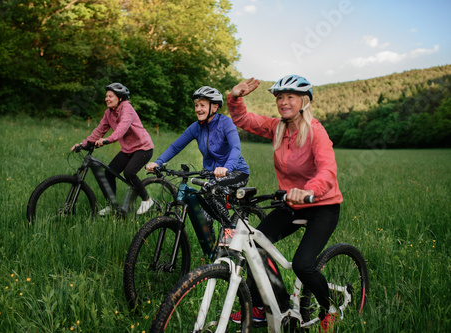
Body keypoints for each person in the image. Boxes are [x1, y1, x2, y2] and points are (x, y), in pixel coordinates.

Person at [227, 75, 343, 332]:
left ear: (304, 101)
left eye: (290, 96)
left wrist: (308, 190)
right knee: (256, 244)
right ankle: (265, 306)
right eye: (280, 97)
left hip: (322, 204)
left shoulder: (316, 132)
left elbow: (328, 169)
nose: (283, 101)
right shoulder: (278, 128)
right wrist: (235, 97)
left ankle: (330, 309)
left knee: (303, 264)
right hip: (291, 203)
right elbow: (245, 120)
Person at [146, 86, 250, 243]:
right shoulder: (196, 128)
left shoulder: (225, 123)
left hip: (236, 171)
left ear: (214, 106)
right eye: (196, 105)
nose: (198, 109)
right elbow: (176, 146)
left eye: (202, 105)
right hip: (211, 174)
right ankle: (213, 253)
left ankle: (229, 228)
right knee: (204, 219)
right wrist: (158, 162)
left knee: (212, 189)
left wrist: (226, 167)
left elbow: (236, 148)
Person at [71, 82, 155, 216]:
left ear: (120, 98)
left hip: (143, 148)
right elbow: (99, 131)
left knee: (129, 173)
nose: (107, 99)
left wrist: (107, 140)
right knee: (109, 173)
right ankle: (112, 206)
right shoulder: (108, 113)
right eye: (106, 96)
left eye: (111, 96)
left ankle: (147, 200)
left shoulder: (127, 108)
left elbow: (122, 127)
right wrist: (83, 144)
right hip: (128, 149)